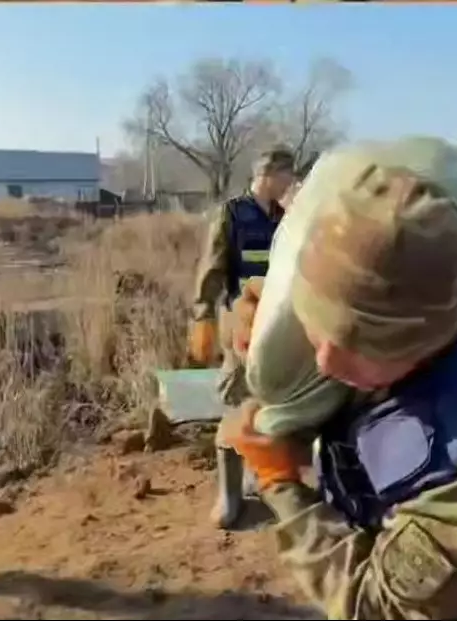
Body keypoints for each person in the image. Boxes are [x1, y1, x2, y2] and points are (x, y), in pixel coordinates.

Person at [219, 161, 457, 619]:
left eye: (356, 346)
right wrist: (273, 333)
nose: (327, 361)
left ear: (418, 340)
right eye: (316, 333)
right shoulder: (410, 326)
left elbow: (377, 608)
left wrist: (281, 486)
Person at [188, 148, 296, 529]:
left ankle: (257, 477)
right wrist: (202, 315)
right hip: (241, 320)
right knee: (237, 400)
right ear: (268, 174)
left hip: (278, 321)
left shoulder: (285, 219)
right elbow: (212, 267)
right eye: (286, 176)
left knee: (268, 403)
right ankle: (229, 496)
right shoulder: (231, 213)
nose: (289, 183)